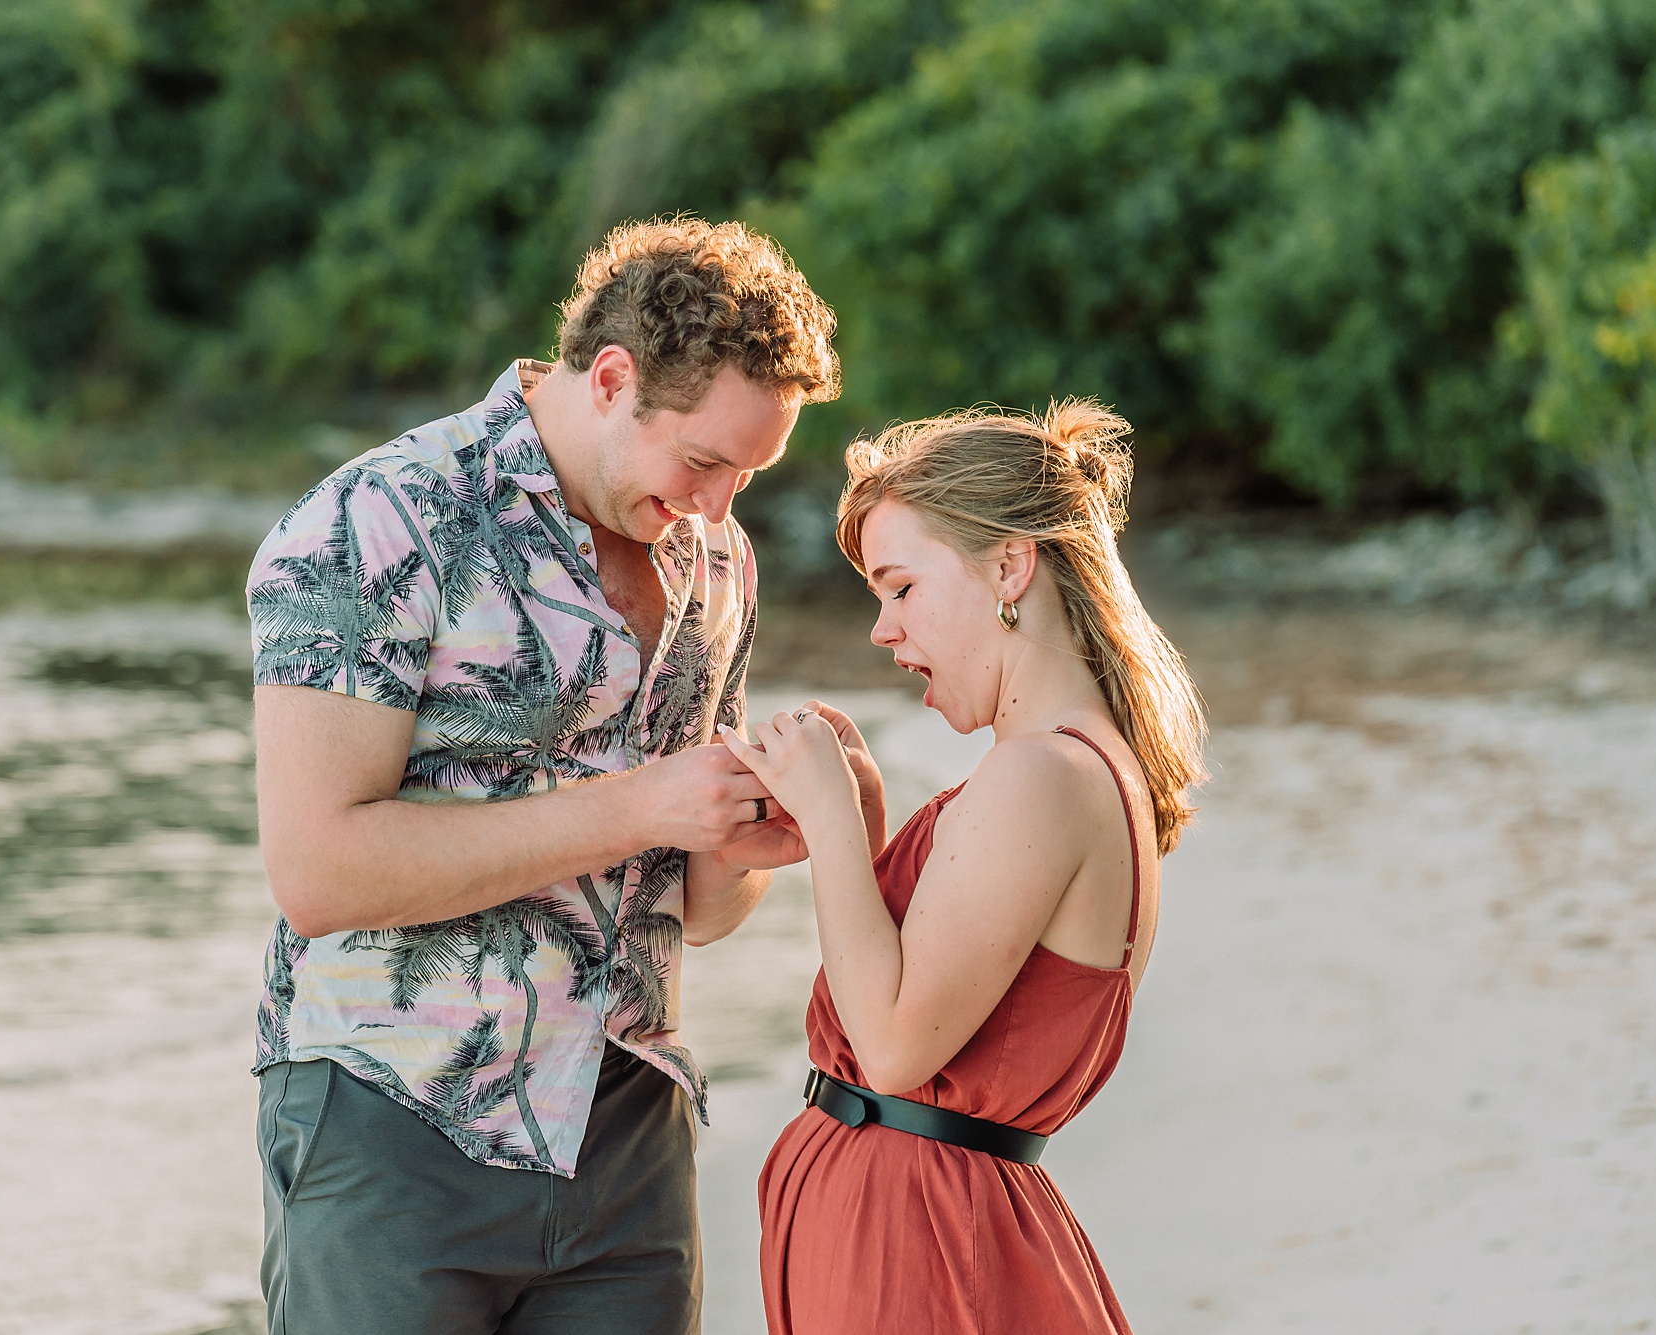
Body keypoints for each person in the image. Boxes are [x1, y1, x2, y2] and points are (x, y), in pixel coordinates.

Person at [246, 217, 838, 1334]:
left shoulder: (716, 559)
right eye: (704, 462)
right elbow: (319, 872)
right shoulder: (379, 519)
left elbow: (698, 910)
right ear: (612, 380)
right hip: (394, 1118)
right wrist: (641, 805)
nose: (721, 506)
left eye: (748, 474)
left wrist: (745, 843)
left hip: (629, 1133)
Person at [723, 401, 1208, 1335]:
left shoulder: (1044, 774)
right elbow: (947, 1001)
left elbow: (895, 1049)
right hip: (920, 1224)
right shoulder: (1076, 765)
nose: (883, 630)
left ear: (1010, 567)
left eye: (901, 588)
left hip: (917, 1244)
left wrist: (829, 820)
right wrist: (863, 830)